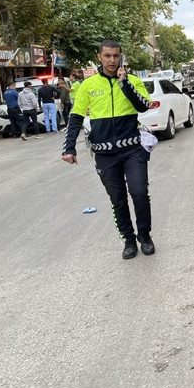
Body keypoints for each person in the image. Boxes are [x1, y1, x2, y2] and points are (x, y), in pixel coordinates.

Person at [62, 40, 155, 260]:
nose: (112, 60)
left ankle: (144, 235)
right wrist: (69, 147)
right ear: (99, 57)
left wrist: (125, 84)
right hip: (104, 154)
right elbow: (76, 117)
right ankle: (128, 240)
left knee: (139, 192)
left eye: (115, 56)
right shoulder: (88, 85)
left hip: (132, 150)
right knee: (118, 199)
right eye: (107, 56)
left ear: (120, 57)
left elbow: (143, 106)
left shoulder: (133, 81)